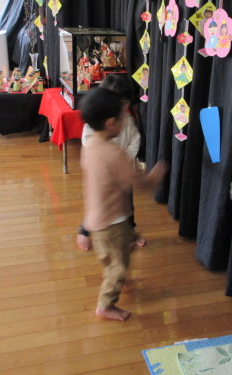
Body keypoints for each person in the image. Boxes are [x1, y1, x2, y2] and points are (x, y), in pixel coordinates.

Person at [78, 87, 168, 321]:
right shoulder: (114, 152)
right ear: (111, 123)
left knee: (116, 254)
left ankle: (117, 274)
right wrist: (154, 177)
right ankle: (105, 305)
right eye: (122, 118)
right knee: (118, 265)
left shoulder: (89, 147)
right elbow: (135, 182)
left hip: (96, 220)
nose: (125, 122)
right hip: (113, 222)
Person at [80, 74, 144, 251]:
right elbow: (87, 140)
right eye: (118, 102)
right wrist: (106, 155)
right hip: (102, 174)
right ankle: (85, 231)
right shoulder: (96, 122)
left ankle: (130, 232)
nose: (122, 108)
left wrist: (123, 158)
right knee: (97, 204)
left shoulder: (127, 120)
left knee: (127, 205)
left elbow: (135, 140)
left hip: (123, 172)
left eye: (125, 102)